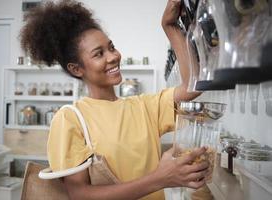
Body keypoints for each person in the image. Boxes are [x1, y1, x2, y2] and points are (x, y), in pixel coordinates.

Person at [20, 0, 209, 199]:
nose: (113, 57)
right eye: (99, 54)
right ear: (76, 69)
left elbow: (192, 86)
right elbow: (80, 195)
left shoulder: (143, 106)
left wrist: (169, 27)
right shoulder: (70, 119)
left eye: (111, 47)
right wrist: (161, 178)